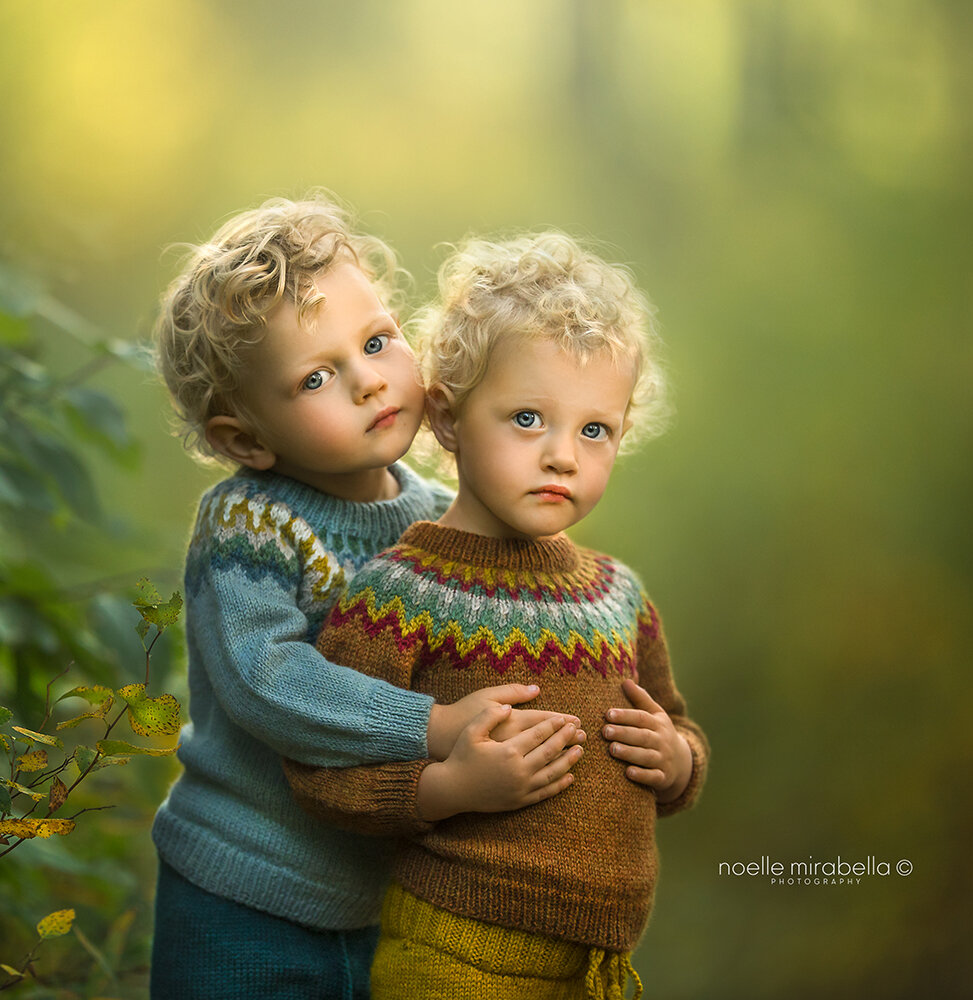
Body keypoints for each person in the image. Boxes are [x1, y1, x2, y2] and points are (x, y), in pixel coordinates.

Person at [148, 198, 586, 1000]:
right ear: (246, 437)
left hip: (386, 893)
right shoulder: (251, 523)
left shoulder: (436, 517)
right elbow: (267, 682)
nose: (369, 382)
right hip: (244, 891)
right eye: (316, 377)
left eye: (378, 341)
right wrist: (433, 726)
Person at [284, 232, 710, 999]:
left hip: (596, 967)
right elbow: (320, 768)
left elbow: (680, 733)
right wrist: (449, 790)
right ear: (447, 418)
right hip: (456, 951)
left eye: (594, 430)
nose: (562, 457)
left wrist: (678, 761)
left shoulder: (620, 597)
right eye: (526, 419)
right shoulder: (403, 594)